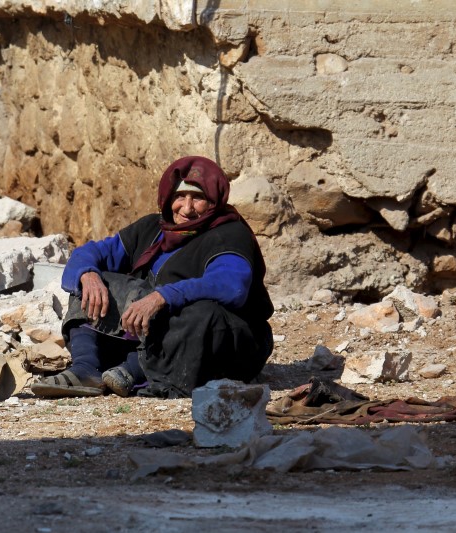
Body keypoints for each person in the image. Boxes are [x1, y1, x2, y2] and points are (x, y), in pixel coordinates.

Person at [31, 156, 274, 399]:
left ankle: (136, 371)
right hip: (151, 336)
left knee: (201, 312)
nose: (187, 208)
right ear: (168, 198)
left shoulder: (230, 234)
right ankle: (86, 369)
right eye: (180, 197)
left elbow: (231, 287)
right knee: (94, 282)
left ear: (214, 202)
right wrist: (88, 275)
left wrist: (163, 296)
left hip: (222, 343)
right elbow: (90, 253)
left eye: (198, 198)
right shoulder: (152, 228)